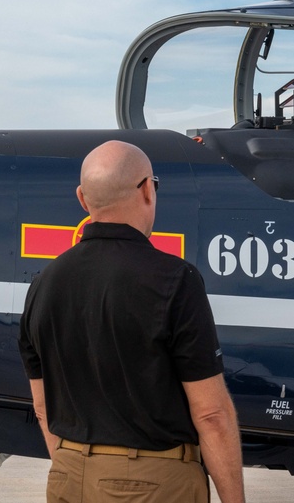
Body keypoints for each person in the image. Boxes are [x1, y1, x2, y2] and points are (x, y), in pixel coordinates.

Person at [18, 140, 246, 503]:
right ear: (145, 190)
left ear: (82, 198)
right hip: (151, 484)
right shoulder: (176, 280)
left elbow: (43, 407)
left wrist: (76, 465)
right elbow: (212, 414)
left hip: (67, 477)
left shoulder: (42, 284)